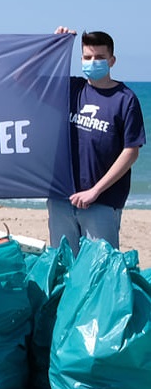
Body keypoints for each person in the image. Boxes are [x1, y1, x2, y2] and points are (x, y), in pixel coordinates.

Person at [49, 28, 144, 249]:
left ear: (112, 61)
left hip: (102, 202)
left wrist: (95, 191)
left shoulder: (125, 99)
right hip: (61, 199)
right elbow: (24, 78)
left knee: (99, 267)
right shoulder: (71, 89)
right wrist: (54, 45)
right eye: (87, 57)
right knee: (64, 264)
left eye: (99, 57)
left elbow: (131, 151)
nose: (93, 62)